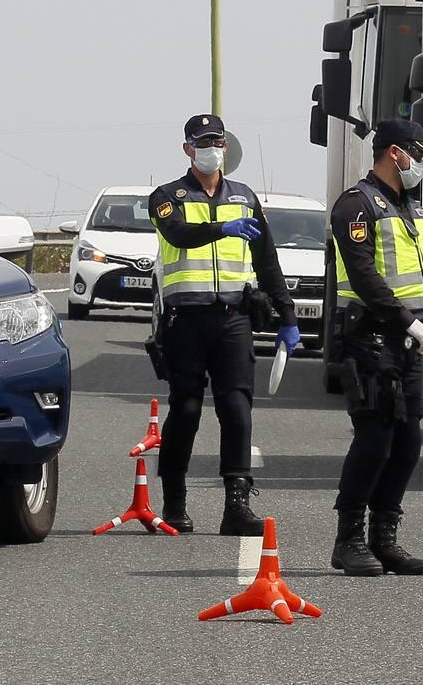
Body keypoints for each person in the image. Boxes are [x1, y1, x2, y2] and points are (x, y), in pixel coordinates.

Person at [149, 114, 302, 536]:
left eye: (216, 141)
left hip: (233, 318)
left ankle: (236, 504)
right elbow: (178, 233)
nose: (210, 148)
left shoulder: (245, 197)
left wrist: (287, 317)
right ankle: (175, 503)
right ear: (187, 149)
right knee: (187, 411)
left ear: (226, 148)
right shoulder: (167, 196)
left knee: (237, 409)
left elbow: (267, 261)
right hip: (186, 320)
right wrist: (222, 228)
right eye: (201, 142)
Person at [327, 119, 423, 577]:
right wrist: (411, 325)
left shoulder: (413, 210)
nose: (422, 164)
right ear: (394, 153)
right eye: (417, 155)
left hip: (411, 342)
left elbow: (422, 279)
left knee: (407, 444)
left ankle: (385, 537)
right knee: (374, 439)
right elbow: (365, 278)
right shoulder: (357, 206)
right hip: (371, 338)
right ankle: (349, 539)